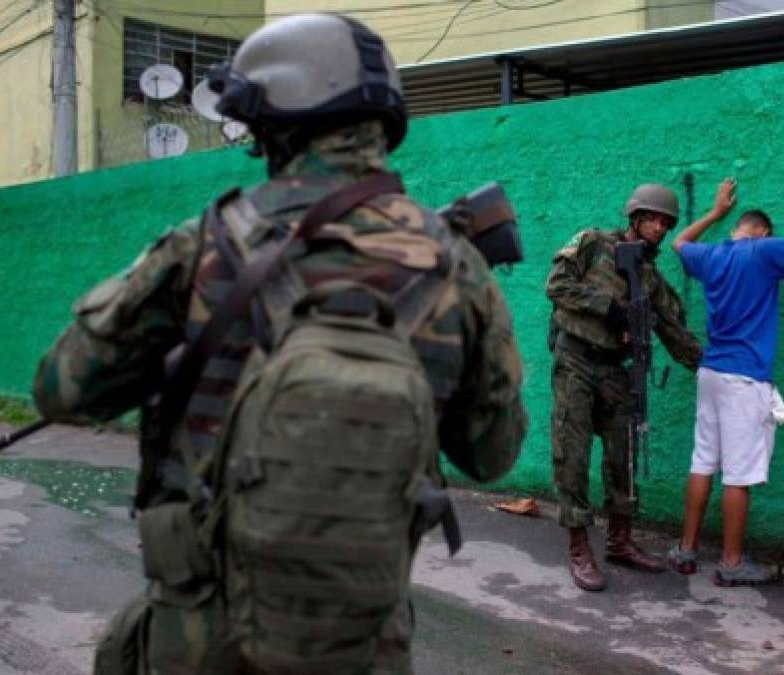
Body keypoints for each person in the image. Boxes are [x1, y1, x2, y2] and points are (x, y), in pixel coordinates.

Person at [32, 14, 527, 674]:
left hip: (199, 639)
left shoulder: (206, 243)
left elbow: (61, 388)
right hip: (362, 647)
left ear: (274, 118)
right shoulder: (456, 267)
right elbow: (492, 454)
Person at [663, 178, 784, 585]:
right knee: (738, 473)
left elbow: (678, 244)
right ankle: (730, 563)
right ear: (762, 231)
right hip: (745, 377)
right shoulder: (766, 250)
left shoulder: (712, 255)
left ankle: (685, 551)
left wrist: (715, 211)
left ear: (736, 227)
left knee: (702, 461)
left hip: (711, 372)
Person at [545, 183, 702, 592]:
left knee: (623, 457)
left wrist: (713, 367)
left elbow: (674, 331)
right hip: (576, 360)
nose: (659, 227)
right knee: (572, 454)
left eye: (666, 223)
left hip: (615, 369)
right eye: (652, 218)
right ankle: (579, 547)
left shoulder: (649, 278)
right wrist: (610, 310)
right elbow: (556, 287)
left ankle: (618, 540)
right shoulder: (594, 244)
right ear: (635, 217)